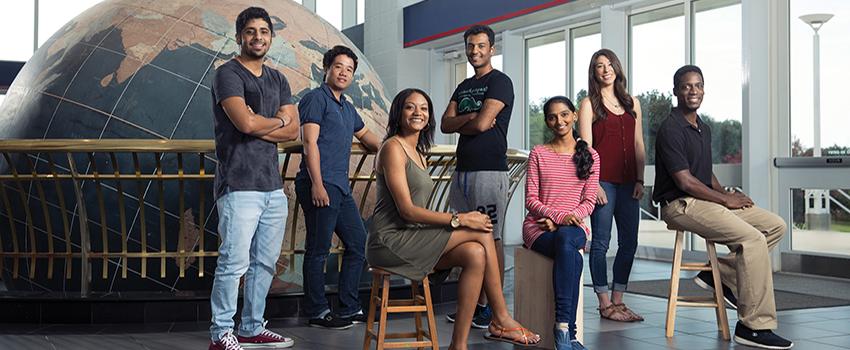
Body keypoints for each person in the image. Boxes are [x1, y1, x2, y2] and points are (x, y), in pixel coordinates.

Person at [368, 88, 540, 349]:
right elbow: (407, 211)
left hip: (412, 237)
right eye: (410, 107)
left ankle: (458, 345)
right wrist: (458, 219)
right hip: (389, 241)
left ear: (430, 116)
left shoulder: (418, 153)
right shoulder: (392, 148)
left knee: (475, 254)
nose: (418, 113)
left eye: (424, 108)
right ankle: (501, 318)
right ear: (398, 113)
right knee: (481, 231)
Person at [654, 65, 793, 349]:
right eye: (686, 86)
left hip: (704, 198)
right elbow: (686, 181)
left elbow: (705, 174)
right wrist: (725, 200)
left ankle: (721, 275)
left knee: (774, 225)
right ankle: (753, 326)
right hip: (680, 204)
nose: (693, 91)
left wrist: (727, 193)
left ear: (704, 89)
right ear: (676, 91)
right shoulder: (671, 128)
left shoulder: (702, 127)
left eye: (698, 85)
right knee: (752, 239)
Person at [209, 7, 298, 350]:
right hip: (238, 185)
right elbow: (243, 125)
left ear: (271, 37)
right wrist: (275, 122)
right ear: (239, 36)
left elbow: (294, 130)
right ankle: (220, 334)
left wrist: (264, 122)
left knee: (263, 264)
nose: (257, 37)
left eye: (264, 31)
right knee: (234, 263)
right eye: (250, 31)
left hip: (272, 188)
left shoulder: (278, 79)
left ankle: (251, 327)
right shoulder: (227, 75)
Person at [296, 45, 382, 330]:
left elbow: (368, 137)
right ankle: (318, 311)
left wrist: (390, 149)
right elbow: (309, 144)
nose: (344, 73)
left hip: (340, 187)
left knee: (358, 244)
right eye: (338, 67)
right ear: (326, 69)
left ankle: (348, 307)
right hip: (320, 183)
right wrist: (318, 185)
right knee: (318, 250)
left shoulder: (346, 107)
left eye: (349, 69)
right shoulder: (314, 100)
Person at [440, 24, 514, 328]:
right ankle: (477, 306)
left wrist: (467, 120)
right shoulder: (463, 86)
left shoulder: (500, 82)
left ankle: (492, 309)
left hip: (489, 171)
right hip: (463, 172)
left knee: (491, 237)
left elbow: (484, 125)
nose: (475, 51)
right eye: (471, 46)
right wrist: (470, 117)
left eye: (481, 46)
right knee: (465, 235)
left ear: (491, 49)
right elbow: (444, 124)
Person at [524, 96, 599, 350]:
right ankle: (570, 333)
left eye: (565, 114)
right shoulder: (539, 153)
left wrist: (566, 220)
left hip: (573, 227)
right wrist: (559, 218)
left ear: (575, 116)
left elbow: (589, 201)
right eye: (553, 117)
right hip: (538, 228)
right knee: (573, 256)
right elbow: (531, 200)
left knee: (567, 239)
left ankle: (562, 328)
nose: (560, 121)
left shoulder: (590, 155)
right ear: (547, 121)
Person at [577, 48, 646, 322]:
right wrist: (593, 184)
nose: (605, 69)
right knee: (601, 244)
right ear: (594, 73)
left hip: (630, 183)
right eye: (599, 66)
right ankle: (604, 303)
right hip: (603, 182)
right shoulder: (589, 104)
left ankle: (619, 301)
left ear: (617, 68)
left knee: (630, 242)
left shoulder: (632, 103)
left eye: (609, 64)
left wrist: (640, 179)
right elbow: (585, 148)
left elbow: (638, 144)